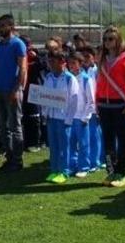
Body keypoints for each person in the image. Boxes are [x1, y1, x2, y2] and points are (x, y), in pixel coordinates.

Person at [96, 26, 125, 188]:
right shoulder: (102, 59)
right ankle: (111, 170)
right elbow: (98, 82)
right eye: (105, 39)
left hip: (120, 103)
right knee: (107, 138)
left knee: (123, 138)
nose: (107, 42)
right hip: (103, 104)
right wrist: (96, 103)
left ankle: (122, 172)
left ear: (118, 39)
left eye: (111, 39)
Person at [0, 14, 28, 173]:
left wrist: (15, 89)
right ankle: (9, 158)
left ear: (11, 27)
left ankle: (18, 160)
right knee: (2, 127)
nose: (0, 28)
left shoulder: (18, 44)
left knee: (15, 126)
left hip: (12, 91)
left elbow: (23, 68)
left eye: (3, 25)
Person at [41, 50, 80, 184]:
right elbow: (45, 96)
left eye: (53, 61)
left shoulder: (70, 78)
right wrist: (44, 113)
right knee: (53, 146)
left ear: (62, 62)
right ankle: (54, 170)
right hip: (51, 118)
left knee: (65, 147)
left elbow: (74, 100)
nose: (50, 64)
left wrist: (69, 119)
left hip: (64, 119)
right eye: (49, 61)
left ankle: (64, 171)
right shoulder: (48, 77)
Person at [68, 52, 96, 178]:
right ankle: (72, 166)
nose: (71, 66)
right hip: (70, 117)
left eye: (74, 63)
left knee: (83, 143)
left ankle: (84, 167)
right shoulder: (68, 78)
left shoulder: (86, 79)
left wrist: (86, 116)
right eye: (70, 63)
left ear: (80, 64)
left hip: (81, 117)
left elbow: (91, 100)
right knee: (71, 143)